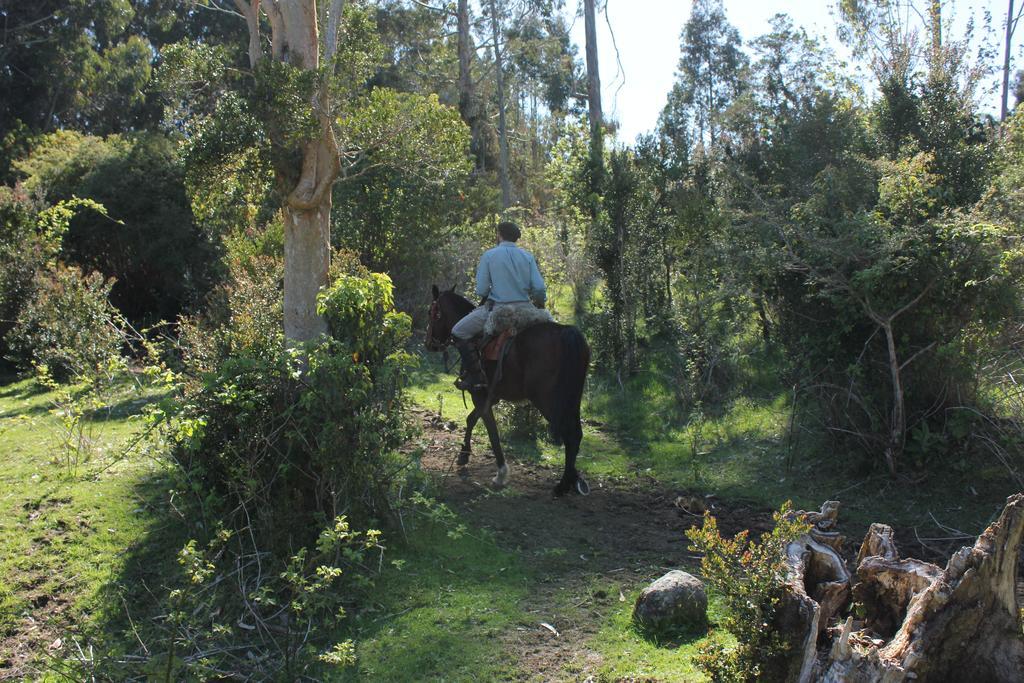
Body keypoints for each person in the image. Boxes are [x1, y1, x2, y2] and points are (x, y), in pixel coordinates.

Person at [452, 221, 546, 390]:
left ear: (499, 235)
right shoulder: (527, 256)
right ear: (516, 237)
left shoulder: (489, 255)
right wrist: (539, 303)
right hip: (526, 311)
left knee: (458, 331)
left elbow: (481, 290)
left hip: (499, 311)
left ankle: (476, 377)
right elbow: (539, 288)